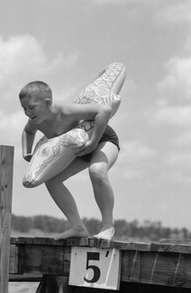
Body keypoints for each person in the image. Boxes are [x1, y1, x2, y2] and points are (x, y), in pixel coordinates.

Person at [19, 80, 120, 240]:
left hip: (102, 139)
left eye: (31, 107)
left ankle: (108, 226)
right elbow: (27, 132)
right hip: (78, 151)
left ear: (47, 103)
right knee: (52, 181)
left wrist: (93, 142)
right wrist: (27, 152)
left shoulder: (65, 111)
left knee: (97, 171)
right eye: (24, 108)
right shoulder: (35, 121)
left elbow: (104, 110)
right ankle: (77, 227)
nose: (27, 112)